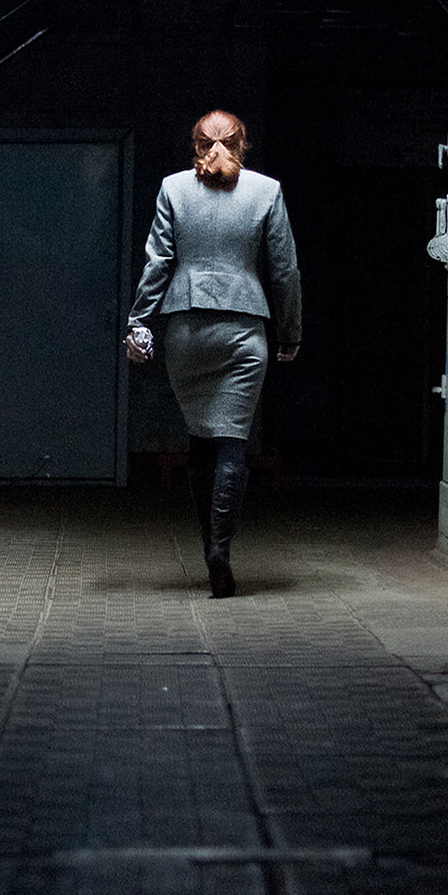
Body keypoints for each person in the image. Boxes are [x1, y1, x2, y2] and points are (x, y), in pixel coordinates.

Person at [124, 110, 302, 598]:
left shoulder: (173, 188)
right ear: (243, 144)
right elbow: (284, 270)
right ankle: (219, 551)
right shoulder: (267, 191)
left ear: (195, 145)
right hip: (244, 331)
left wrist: (139, 321)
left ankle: (209, 547)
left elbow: (158, 262)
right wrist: (289, 331)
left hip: (187, 331)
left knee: (200, 441)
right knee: (231, 443)